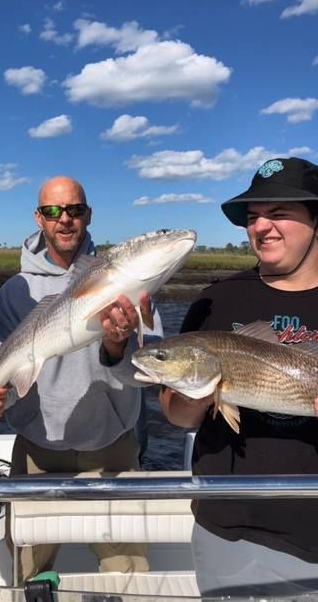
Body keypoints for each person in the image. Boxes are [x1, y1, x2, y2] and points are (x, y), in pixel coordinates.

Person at [0, 175, 162, 584]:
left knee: (129, 576)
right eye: (53, 211)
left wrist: (117, 347)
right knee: (28, 573)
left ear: (88, 215)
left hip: (113, 451)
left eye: (74, 210)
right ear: (39, 218)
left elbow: (151, 371)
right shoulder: (16, 291)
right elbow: (1, 383)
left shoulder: (129, 280)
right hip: (38, 454)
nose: (65, 220)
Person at [159, 157, 318, 597]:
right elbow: (176, 417)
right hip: (233, 529)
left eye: (280, 213)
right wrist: (196, 390)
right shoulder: (216, 301)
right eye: (253, 217)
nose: (262, 227)